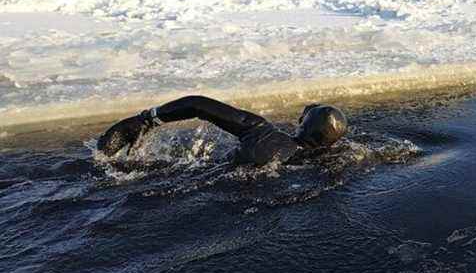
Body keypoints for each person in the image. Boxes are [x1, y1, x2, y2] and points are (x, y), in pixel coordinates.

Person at [97, 95, 348, 166]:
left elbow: (197, 104)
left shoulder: (262, 132)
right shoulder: (331, 160)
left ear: (306, 125)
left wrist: (147, 119)